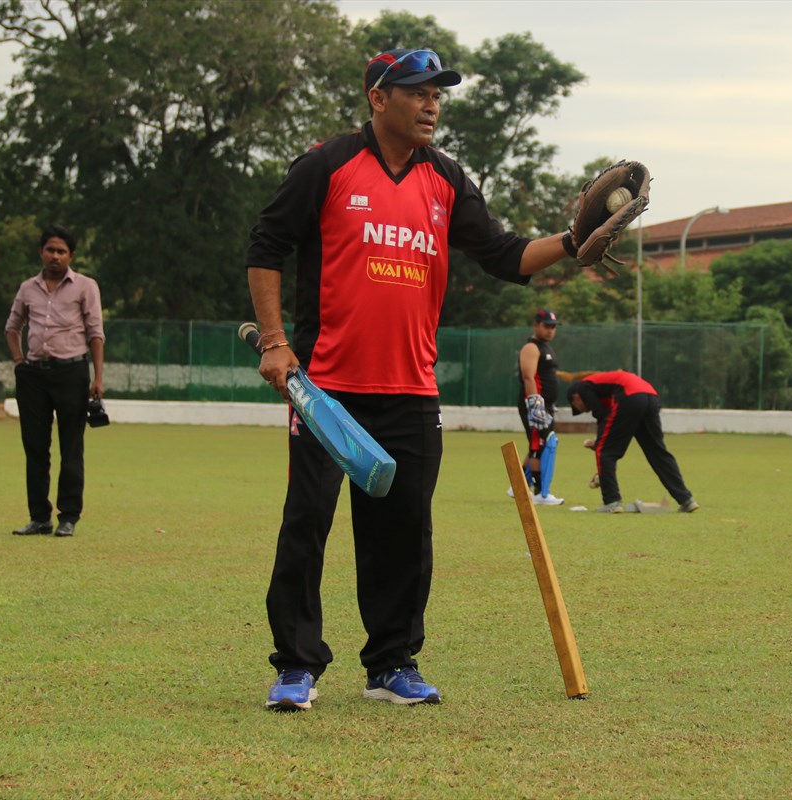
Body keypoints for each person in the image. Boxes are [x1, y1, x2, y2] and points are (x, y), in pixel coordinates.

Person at [246, 48, 577, 711]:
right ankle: (297, 667)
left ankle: (392, 664)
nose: (431, 105)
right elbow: (266, 245)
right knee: (307, 523)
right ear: (379, 98)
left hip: (412, 392)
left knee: (403, 534)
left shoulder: (447, 178)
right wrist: (277, 341)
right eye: (418, 92)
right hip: (327, 391)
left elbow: (508, 256)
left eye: (438, 95)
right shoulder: (328, 164)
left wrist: (575, 240)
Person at [4, 224, 105, 538]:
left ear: (71, 255)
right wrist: (19, 361)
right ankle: (39, 518)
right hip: (33, 375)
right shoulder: (27, 288)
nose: (55, 256)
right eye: (50, 250)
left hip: (72, 373)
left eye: (62, 251)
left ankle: (68, 516)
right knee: (35, 447)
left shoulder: (85, 286)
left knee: (70, 447)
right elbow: (12, 327)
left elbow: (96, 333)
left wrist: (98, 377)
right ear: (41, 252)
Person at [566, 370, 699, 514]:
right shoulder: (603, 388)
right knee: (657, 452)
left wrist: (600, 444)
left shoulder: (582, 387)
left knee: (605, 452)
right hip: (650, 396)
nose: (583, 411)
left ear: (576, 398)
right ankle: (686, 500)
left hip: (630, 396)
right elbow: (614, 427)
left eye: (577, 407)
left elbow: (601, 416)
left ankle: (611, 502)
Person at [513, 308, 564, 506]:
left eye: (553, 327)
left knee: (538, 445)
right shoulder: (532, 347)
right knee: (540, 446)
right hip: (535, 404)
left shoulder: (546, 347)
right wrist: (535, 404)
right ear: (536, 325)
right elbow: (528, 376)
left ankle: (517, 486)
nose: (551, 330)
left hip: (547, 404)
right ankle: (540, 493)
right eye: (546, 326)